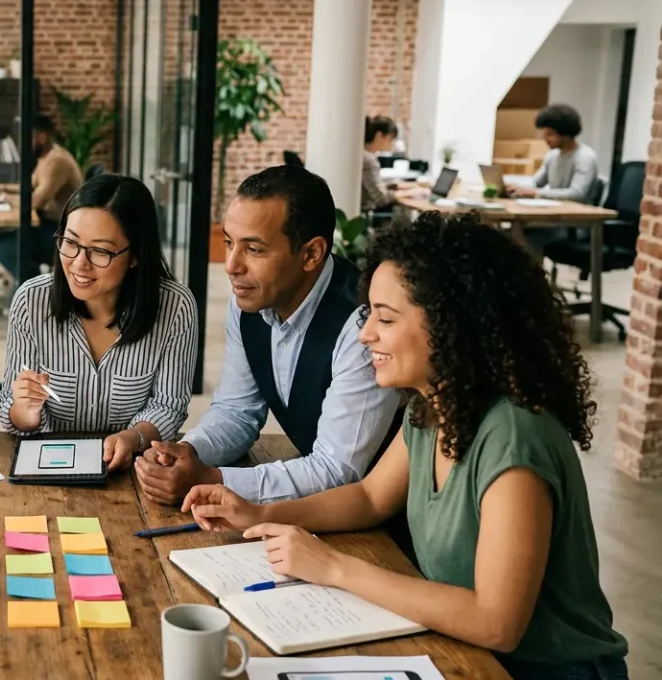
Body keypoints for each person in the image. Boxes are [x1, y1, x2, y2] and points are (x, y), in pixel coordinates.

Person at [183, 212, 629, 680]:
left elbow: (497, 624)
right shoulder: (435, 408)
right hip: (462, 652)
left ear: (450, 324)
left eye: (386, 318)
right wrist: (259, 514)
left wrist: (333, 567)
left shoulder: (515, 436)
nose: (364, 333)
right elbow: (369, 498)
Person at [135, 166, 400, 506]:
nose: (231, 265)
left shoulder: (364, 325)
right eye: (229, 243)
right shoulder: (250, 299)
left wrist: (213, 480)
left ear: (311, 254)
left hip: (387, 524)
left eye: (254, 249)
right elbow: (236, 412)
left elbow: (338, 470)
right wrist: (187, 452)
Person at [0, 174, 197, 470]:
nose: (79, 263)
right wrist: (26, 411)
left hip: (133, 471)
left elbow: (168, 406)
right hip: (49, 467)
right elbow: (11, 411)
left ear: (135, 256)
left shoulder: (175, 307)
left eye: (101, 251)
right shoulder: (31, 300)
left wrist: (132, 439)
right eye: (70, 243)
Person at [0, 114, 84, 289]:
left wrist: (2, 198)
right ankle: (30, 284)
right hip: (49, 223)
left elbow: (36, 202)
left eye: (28, 138)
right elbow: (30, 185)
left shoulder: (57, 161)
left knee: (7, 246)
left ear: (41, 137)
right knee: (5, 240)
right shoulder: (46, 157)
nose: (23, 144)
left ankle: (34, 289)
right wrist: (2, 188)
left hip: (61, 231)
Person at [506, 103, 599, 203]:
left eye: (549, 134)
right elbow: (536, 182)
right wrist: (515, 186)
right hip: (555, 210)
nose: (545, 138)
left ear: (566, 133)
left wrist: (536, 193)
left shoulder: (585, 157)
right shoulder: (552, 155)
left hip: (577, 215)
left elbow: (576, 194)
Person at [361, 115, 411, 211]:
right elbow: (382, 198)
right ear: (379, 135)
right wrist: (410, 193)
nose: (391, 143)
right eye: (390, 138)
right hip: (367, 214)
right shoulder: (369, 161)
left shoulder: (363, 155)